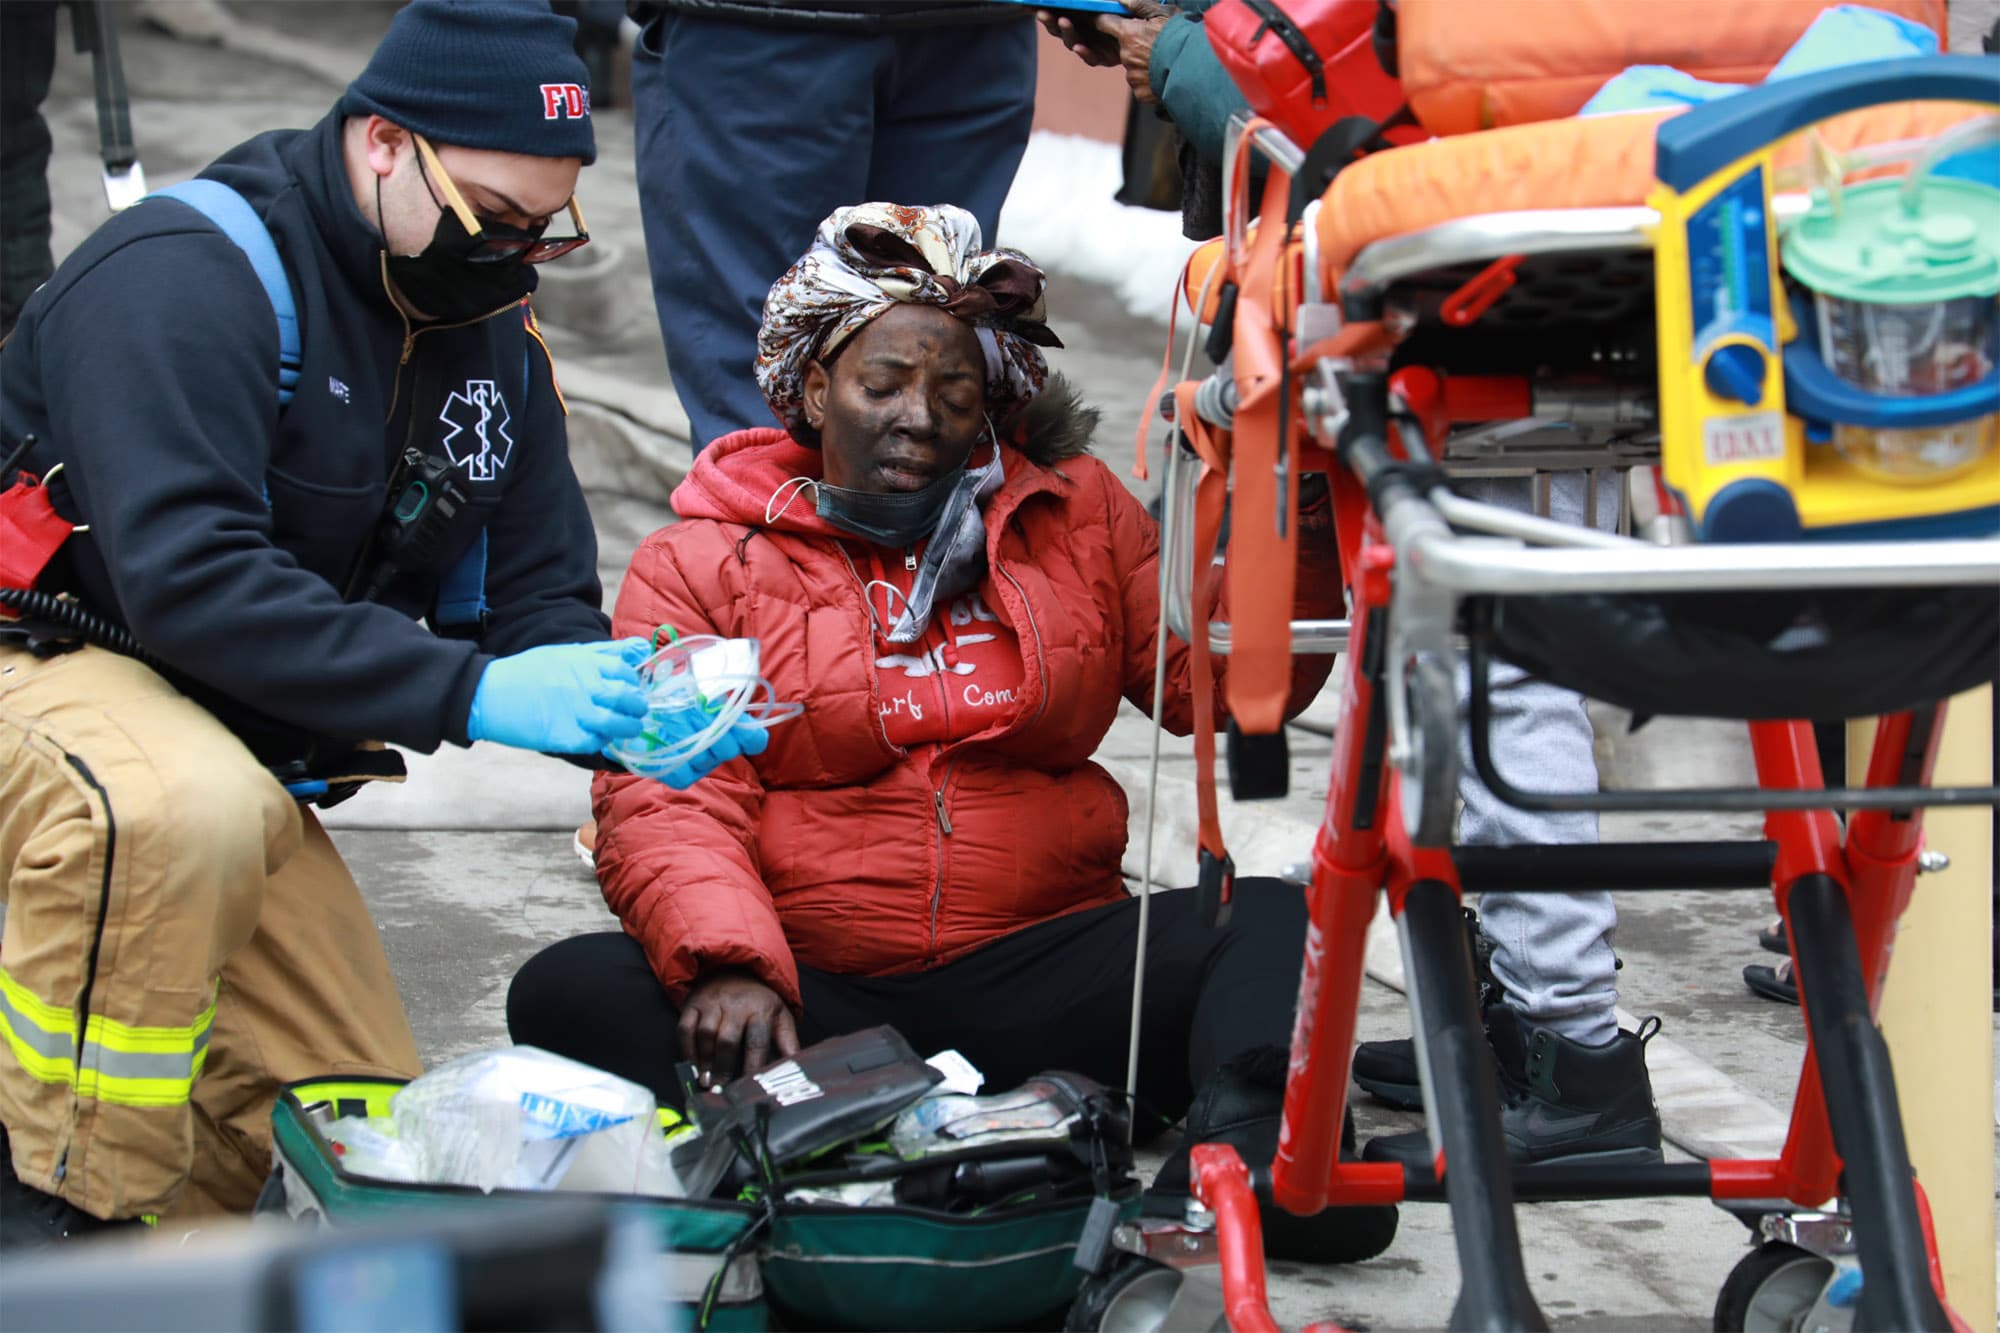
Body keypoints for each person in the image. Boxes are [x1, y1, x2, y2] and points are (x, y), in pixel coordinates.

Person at [510, 201, 1399, 1263]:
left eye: (954, 390)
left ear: (990, 410)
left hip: (1042, 978)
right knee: (569, 989)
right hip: (820, 994)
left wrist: (1293, 520)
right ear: (809, 389)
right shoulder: (703, 559)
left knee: (1266, 920)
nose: (918, 415)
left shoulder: (1072, 514)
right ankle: (913, 1132)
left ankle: (1251, 1173)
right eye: (880, 384)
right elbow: (664, 791)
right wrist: (726, 964)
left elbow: (1202, 683)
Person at [0, 0, 755, 1245]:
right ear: (384, 144)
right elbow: (192, 582)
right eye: (492, 220)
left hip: (217, 732)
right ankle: (57, 1227)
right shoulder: (186, 277)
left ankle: (177, 1260)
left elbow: (534, 592)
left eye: (544, 230)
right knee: (188, 810)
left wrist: (621, 707)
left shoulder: (484, 327)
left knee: (378, 1141)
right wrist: (469, 694)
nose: (515, 259)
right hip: (52, 663)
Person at [1045, 1, 1662, 1168]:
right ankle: (1523, 1020)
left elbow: (1344, 113)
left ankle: (1572, 1051)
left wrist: (1178, 59)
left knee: (1499, 680)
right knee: (1457, 674)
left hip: (1498, 289)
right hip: (1523, 271)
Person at [626, 0, 1039, 452]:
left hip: (773, 31)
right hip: (961, 32)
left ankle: (779, 517)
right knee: (924, 343)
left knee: (933, 345)